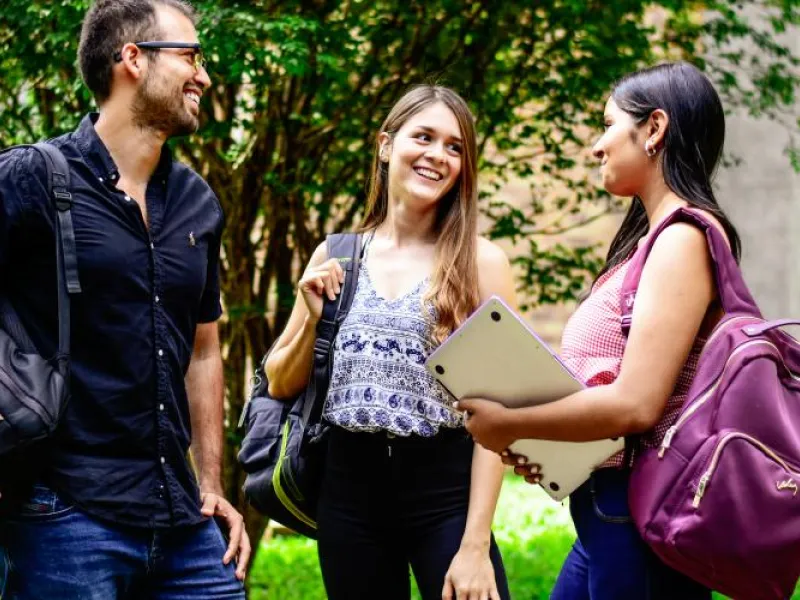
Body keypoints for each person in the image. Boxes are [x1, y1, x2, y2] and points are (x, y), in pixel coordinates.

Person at [457, 61, 737, 599]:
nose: (596, 145)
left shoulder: (683, 239)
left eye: (608, 124)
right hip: (608, 513)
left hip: (637, 513)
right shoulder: (649, 242)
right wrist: (543, 434)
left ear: (653, 129)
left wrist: (512, 423)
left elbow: (636, 406)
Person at [0, 1, 250, 598]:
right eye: (190, 56)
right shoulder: (33, 178)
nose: (205, 77)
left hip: (182, 518)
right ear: (132, 59)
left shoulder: (196, 201)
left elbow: (204, 350)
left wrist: (210, 483)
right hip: (63, 513)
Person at [266, 85, 514, 600]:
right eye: (423, 137)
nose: (437, 156)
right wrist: (312, 320)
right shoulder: (336, 255)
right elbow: (279, 381)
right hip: (348, 493)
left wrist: (475, 545)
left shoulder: (480, 263)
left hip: (444, 491)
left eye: (454, 147)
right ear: (385, 145)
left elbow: (498, 413)